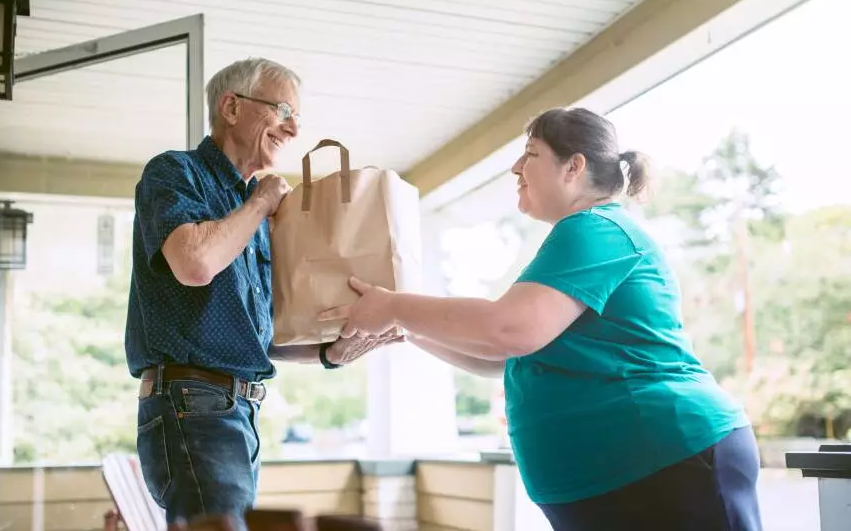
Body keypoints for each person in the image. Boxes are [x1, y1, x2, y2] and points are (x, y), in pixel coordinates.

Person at [320, 107, 763, 530]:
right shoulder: (580, 237)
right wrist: (406, 329)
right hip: (622, 477)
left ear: (574, 167)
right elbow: (503, 356)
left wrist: (394, 306)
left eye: (530, 154)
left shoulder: (596, 228)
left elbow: (508, 330)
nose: (516, 168)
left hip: (666, 458)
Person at [125, 57, 400, 528]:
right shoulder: (175, 172)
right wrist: (260, 202)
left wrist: (329, 353)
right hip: (193, 403)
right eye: (283, 111)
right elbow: (195, 264)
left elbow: (257, 336)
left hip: (235, 410)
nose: (293, 130)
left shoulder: (252, 211)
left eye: (298, 118)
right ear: (232, 107)